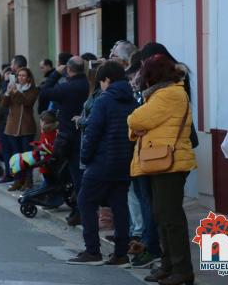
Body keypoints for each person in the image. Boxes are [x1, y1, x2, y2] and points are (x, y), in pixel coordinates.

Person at [128, 54, 196, 285]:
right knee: (161, 215)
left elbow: (136, 120)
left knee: (170, 218)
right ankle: (168, 266)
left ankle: (182, 270)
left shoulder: (169, 94)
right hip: (160, 160)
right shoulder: (161, 94)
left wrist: (137, 126)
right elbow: (141, 124)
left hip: (171, 162)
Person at [67, 61, 137, 267]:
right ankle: (121, 254)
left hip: (100, 161)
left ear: (106, 80)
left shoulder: (103, 100)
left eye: (102, 82)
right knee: (120, 206)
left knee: (86, 202)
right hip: (124, 161)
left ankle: (92, 251)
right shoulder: (132, 99)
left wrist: (85, 157)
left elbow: (93, 132)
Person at [40, 56, 90, 225]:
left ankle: (81, 211)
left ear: (69, 69)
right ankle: (79, 209)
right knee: (77, 176)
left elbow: (45, 92)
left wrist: (54, 74)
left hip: (70, 138)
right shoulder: (86, 84)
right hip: (81, 136)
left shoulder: (69, 87)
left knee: (77, 177)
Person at [3, 67, 39, 191]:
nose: (21, 78)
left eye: (24, 76)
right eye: (19, 75)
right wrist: (7, 92)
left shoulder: (33, 90)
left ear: (28, 77)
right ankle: (18, 180)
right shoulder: (13, 88)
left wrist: (15, 92)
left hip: (26, 128)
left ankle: (28, 181)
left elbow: (27, 102)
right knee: (16, 156)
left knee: (27, 156)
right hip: (12, 127)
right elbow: (4, 104)